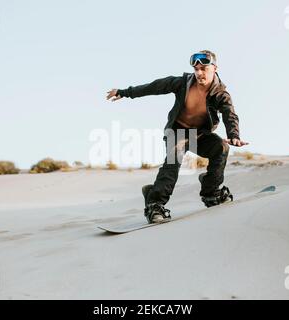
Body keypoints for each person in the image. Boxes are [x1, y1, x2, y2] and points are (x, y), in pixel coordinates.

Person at [106, 50, 248, 223]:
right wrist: (125, 92)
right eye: (196, 70)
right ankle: (155, 203)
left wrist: (233, 134)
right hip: (177, 132)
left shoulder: (221, 94)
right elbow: (154, 87)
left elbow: (229, 114)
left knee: (221, 147)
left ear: (215, 68)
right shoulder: (182, 83)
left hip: (199, 135)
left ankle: (211, 192)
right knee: (174, 158)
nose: (199, 73)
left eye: (203, 69)